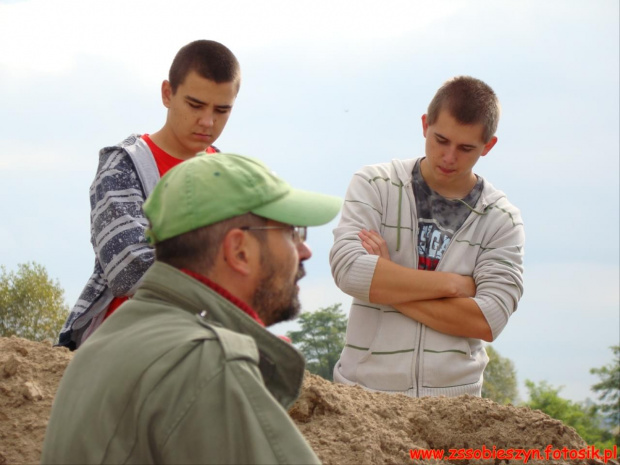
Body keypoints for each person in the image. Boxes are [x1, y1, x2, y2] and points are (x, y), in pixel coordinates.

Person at [42, 153, 341, 464]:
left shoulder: (102, 345)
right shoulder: (205, 362)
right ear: (239, 251)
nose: (304, 251)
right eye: (292, 233)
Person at [330, 76, 525, 397]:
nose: (449, 157)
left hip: (455, 408)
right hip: (363, 397)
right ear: (425, 124)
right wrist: (453, 285)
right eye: (441, 140)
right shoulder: (375, 184)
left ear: (488, 146)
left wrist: (386, 283)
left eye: (466, 148)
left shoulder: (501, 219)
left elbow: (488, 320)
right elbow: (349, 271)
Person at [58, 40, 241, 349]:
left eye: (221, 110)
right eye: (195, 105)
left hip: (206, 347)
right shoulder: (125, 164)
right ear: (167, 94)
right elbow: (128, 268)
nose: (208, 122)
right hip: (119, 350)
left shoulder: (229, 175)